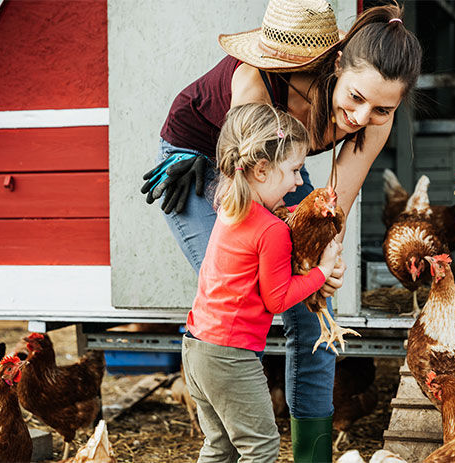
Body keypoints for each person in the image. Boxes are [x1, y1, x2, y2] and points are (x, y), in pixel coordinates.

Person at [141, 0, 422, 460]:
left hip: (276, 163)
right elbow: (247, 184)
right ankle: (238, 437)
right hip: (205, 160)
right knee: (246, 289)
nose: (361, 116)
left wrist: (325, 265)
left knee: (313, 309)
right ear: (336, 66)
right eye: (355, 98)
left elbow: (334, 210)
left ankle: (312, 454)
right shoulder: (258, 79)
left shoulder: (375, 121)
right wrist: (299, 267)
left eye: (381, 108)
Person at [182, 102, 342, 462]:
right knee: (262, 448)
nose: (300, 181)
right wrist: (322, 271)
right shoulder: (271, 230)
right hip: (230, 356)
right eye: (295, 170)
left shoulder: (230, 206)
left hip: (197, 348)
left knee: (220, 446)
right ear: (262, 170)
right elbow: (278, 299)